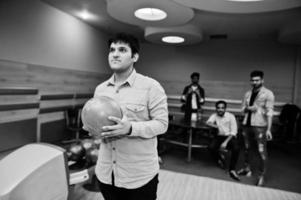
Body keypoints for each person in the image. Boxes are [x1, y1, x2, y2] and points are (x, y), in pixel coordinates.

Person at [90, 33, 168, 200]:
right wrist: (92, 128)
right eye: (112, 50)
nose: (115, 54)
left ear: (135, 56)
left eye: (122, 50)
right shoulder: (100, 89)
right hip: (106, 174)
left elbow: (162, 124)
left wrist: (130, 128)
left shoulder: (151, 87)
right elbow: (97, 122)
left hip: (139, 177)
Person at [238, 70, 274, 187]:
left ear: (262, 80)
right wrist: (248, 108)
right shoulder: (247, 94)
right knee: (247, 148)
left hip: (260, 126)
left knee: (261, 151)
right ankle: (247, 168)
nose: (254, 82)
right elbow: (242, 108)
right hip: (246, 124)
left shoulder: (268, 94)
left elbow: (269, 112)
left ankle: (261, 176)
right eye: (252, 80)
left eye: (257, 80)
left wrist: (268, 129)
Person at [206, 100, 240, 181]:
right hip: (219, 136)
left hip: (230, 137)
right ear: (216, 109)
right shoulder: (214, 115)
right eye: (218, 108)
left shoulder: (231, 116)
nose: (220, 110)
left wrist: (225, 142)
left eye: (222, 108)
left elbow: (234, 132)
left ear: (225, 109)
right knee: (210, 147)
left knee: (236, 148)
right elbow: (208, 122)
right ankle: (219, 158)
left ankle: (232, 169)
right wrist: (216, 126)